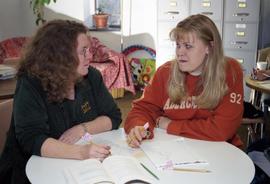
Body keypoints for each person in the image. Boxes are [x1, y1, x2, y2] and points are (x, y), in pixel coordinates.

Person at [0, 20, 121, 183]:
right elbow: (32, 140)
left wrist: (82, 129)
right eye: (83, 51)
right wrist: (82, 153)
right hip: (32, 171)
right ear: (61, 55)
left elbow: (113, 117)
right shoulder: (32, 82)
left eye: (89, 50)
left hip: (77, 168)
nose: (90, 56)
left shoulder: (91, 76)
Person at [124, 14, 244, 148]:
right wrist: (138, 126)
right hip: (176, 149)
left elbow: (221, 129)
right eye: (178, 45)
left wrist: (169, 125)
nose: (180, 52)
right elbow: (142, 109)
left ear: (209, 47)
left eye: (188, 46)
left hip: (221, 151)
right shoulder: (165, 72)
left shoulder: (230, 71)